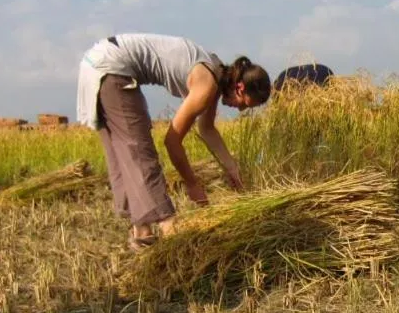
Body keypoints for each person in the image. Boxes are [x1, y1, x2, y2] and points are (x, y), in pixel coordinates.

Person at [76, 33, 272, 249]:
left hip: (97, 65)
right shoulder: (208, 85)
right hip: (112, 68)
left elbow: (206, 129)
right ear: (240, 88)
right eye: (245, 103)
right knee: (139, 151)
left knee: (123, 155)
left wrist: (232, 168)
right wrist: (192, 183)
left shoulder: (214, 71)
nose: (241, 109)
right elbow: (172, 141)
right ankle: (172, 235)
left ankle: (142, 235)